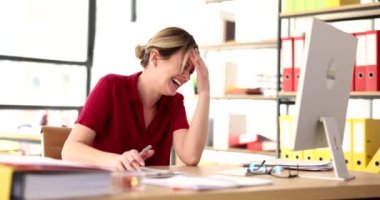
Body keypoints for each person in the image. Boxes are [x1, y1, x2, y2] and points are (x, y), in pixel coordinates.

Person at [62, 27, 210, 171]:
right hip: (104, 191)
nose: (186, 77)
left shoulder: (175, 103)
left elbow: (190, 156)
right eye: (184, 66)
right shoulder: (111, 87)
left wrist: (204, 91)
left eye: (191, 72)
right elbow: (70, 150)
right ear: (155, 58)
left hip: (149, 193)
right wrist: (116, 160)